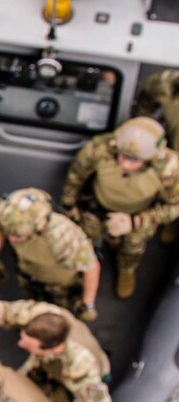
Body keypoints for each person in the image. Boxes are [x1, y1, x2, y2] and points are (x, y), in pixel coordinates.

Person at [60, 117, 179, 298]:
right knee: (84, 239)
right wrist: (69, 204)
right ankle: (84, 270)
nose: (125, 164)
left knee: (133, 247)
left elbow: (175, 206)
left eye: (134, 161)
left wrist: (138, 220)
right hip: (97, 205)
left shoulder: (169, 168)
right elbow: (76, 174)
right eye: (123, 156)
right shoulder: (101, 148)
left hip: (139, 214)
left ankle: (126, 269)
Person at [0, 188, 100, 321]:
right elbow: (2, 230)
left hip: (60, 284)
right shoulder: (11, 221)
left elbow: (91, 268)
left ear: (38, 226)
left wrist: (88, 305)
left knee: (60, 318)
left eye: (18, 236)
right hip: (29, 274)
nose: (12, 239)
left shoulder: (63, 236)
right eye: (10, 235)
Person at [132, 71, 179, 244]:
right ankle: (172, 221)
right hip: (174, 154)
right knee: (170, 190)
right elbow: (146, 100)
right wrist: (144, 127)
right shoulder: (167, 84)